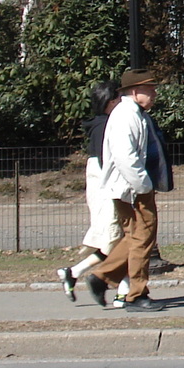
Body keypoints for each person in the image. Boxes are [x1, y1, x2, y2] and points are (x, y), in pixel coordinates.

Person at [83, 69, 173, 313]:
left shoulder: (134, 113)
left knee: (135, 237)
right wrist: (143, 186)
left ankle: (102, 276)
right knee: (142, 239)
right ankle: (136, 295)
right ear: (135, 91)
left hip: (131, 188)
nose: (154, 94)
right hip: (132, 190)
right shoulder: (126, 116)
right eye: (150, 89)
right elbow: (126, 157)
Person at [57, 82, 125, 302]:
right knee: (119, 241)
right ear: (110, 102)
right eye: (119, 98)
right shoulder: (106, 127)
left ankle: (120, 290)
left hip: (104, 189)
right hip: (108, 190)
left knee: (122, 241)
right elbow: (108, 163)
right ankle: (118, 289)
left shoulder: (99, 125)